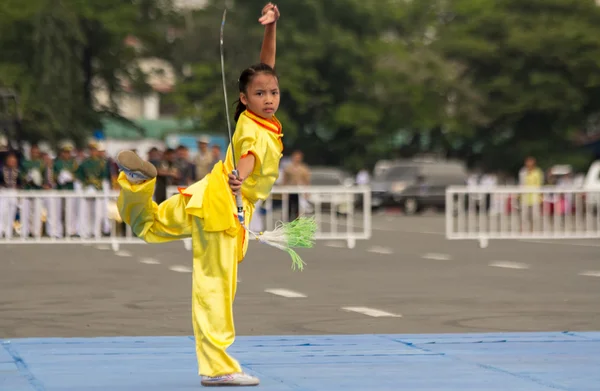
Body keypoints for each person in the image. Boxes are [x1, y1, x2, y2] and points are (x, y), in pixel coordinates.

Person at [114, 3, 281, 387]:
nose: (269, 97)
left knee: (149, 225)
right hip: (224, 206)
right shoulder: (255, 130)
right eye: (260, 93)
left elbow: (265, 66)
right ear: (244, 98)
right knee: (215, 286)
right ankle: (218, 367)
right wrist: (242, 178)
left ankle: (138, 185)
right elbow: (250, 158)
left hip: (206, 192)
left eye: (273, 91)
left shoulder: (258, 118)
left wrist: (271, 29)